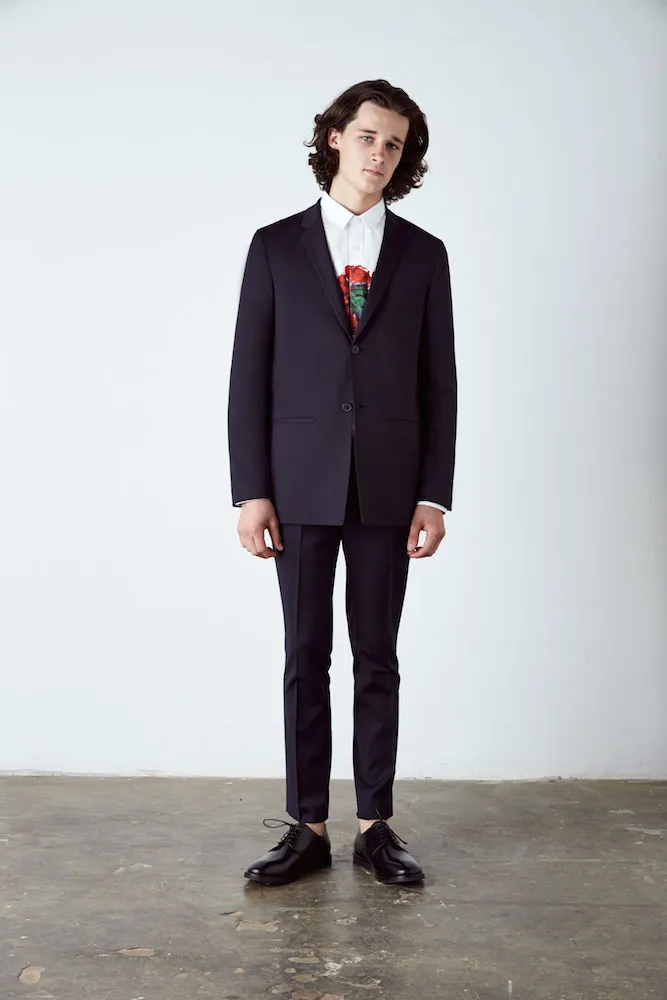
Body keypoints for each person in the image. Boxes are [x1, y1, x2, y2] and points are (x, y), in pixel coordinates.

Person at [227, 79, 457, 886]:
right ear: (333, 137)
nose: (379, 154)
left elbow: (439, 382)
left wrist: (433, 493)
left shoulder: (423, 255)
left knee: (377, 656)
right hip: (296, 485)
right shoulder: (274, 247)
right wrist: (251, 489)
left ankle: (374, 828)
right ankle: (307, 828)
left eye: (394, 144)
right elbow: (247, 377)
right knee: (304, 654)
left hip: (390, 486)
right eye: (367, 136)